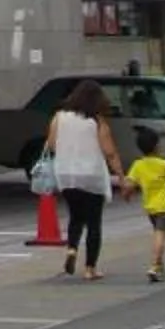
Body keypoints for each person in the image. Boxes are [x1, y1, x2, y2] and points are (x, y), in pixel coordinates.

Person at [46, 79, 126, 279]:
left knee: (75, 217)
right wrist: (122, 178)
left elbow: (52, 144)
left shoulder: (59, 117)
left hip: (66, 174)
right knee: (93, 223)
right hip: (91, 175)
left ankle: (72, 249)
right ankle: (90, 268)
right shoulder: (96, 121)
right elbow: (110, 153)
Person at [125, 124, 165, 283]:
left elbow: (129, 184)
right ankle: (154, 265)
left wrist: (127, 194)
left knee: (157, 234)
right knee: (160, 236)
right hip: (164, 206)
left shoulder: (138, 165)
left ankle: (160, 266)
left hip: (150, 208)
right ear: (156, 146)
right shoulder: (164, 164)